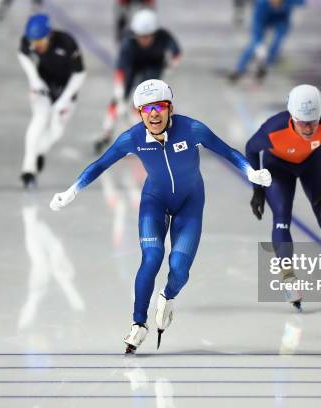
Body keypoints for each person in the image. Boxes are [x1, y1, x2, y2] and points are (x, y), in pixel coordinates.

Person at [50, 79, 272, 353]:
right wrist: (72, 191)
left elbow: (227, 152)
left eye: (159, 107)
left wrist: (251, 173)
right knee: (152, 257)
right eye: (146, 109)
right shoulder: (131, 138)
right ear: (139, 113)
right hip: (154, 201)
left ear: (170, 109)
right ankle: (138, 324)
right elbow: (100, 164)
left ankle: (168, 296)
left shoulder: (192, 129)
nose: (153, 114)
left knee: (179, 269)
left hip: (190, 204)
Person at [245, 84, 321, 309]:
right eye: (302, 122)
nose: (308, 128)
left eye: (313, 122)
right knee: (281, 219)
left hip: (312, 163)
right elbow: (250, 149)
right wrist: (257, 189)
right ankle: (288, 278)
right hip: (278, 168)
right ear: (291, 116)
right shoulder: (272, 129)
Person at [94, 9, 181, 154]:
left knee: (148, 101)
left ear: (155, 33)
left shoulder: (164, 36)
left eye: (147, 36)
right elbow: (120, 71)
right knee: (118, 100)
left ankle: (157, 133)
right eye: (140, 36)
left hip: (153, 67)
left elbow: (177, 53)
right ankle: (106, 132)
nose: (144, 40)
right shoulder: (128, 42)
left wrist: (170, 66)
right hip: (132, 67)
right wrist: (120, 93)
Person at [18, 14, 86, 188]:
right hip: (43, 84)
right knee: (39, 118)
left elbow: (80, 73)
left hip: (67, 89)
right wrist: (34, 79)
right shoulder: (29, 41)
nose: (36, 47)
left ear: (50, 35)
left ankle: (40, 152)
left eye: (40, 43)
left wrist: (64, 99)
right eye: (33, 43)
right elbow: (23, 54)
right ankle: (28, 168)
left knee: (56, 130)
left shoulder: (67, 43)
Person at [228, 0, 304, 83]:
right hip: (263, 17)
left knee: (276, 43)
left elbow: (301, 3)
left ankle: (264, 66)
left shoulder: (289, 2)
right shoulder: (261, 4)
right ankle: (239, 69)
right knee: (254, 45)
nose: (276, 2)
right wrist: (259, 46)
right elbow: (256, 32)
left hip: (281, 20)